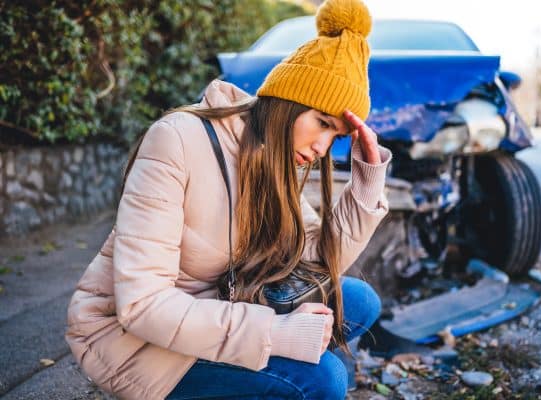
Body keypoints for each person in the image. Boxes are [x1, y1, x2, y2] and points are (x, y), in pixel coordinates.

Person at [65, 0, 392, 398]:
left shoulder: (275, 158)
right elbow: (143, 306)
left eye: (336, 136)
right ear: (286, 102)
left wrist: (367, 181)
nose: (323, 148)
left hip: (217, 303)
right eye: (321, 123)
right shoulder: (178, 139)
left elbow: (317, 260)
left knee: (357, 300)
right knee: (325, 380)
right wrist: (277, 333)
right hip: (131, 339)